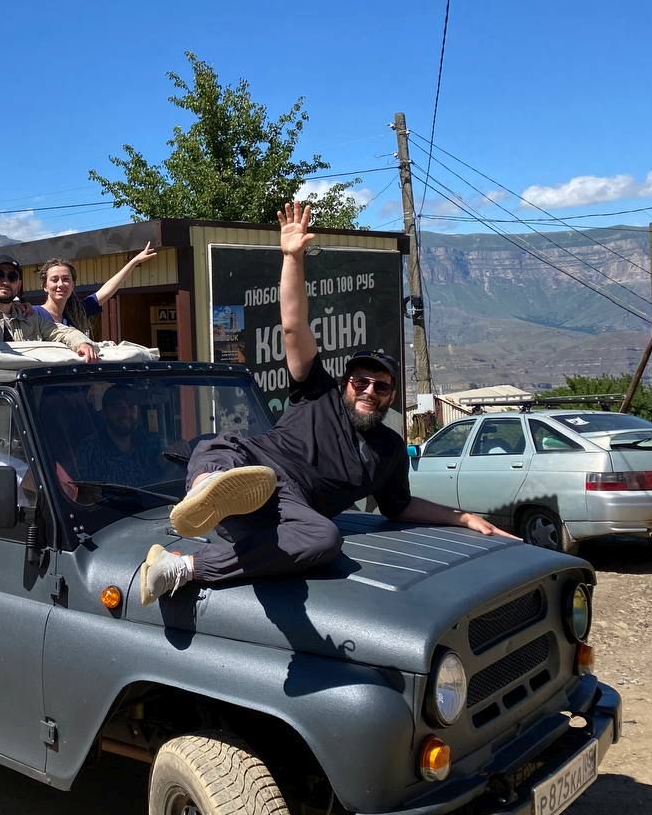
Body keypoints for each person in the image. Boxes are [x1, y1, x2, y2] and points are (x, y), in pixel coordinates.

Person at [139, 200, 518, 605]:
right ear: (345, 384)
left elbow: (401, 506)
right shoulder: (316, 391)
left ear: (392, 396)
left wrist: (464, 517)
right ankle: (207, 493)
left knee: (324, 538)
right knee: (220, 449)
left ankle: (182, 567)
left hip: (285, 510)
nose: (369, 391)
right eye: (360, 382)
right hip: (252, 467)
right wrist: (292, 257)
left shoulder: (389, 450)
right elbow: (293, 326)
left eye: (381, 387)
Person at [0, 256, 100, 362]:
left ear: (18, 284)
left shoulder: (30, 316)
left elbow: (62, 331)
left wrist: (82, 343)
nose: (5, 281)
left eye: (12, 277)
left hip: (22, 391)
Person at [37, 243, 159, 329]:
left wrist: (134, 261)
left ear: (73, 285)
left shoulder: (78, 312)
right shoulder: (33, 314)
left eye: (66, 279)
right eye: (54, 280)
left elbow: (106, 290)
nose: (60, 284)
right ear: (45, 286)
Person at [75, 385, 167, 487]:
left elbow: (166, 479)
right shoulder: (90, 449)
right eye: (117, 407)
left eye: (131, 406)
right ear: (104, 412)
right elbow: (87, 492)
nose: (126, 413)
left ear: (138, 410)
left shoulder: (152, 443)